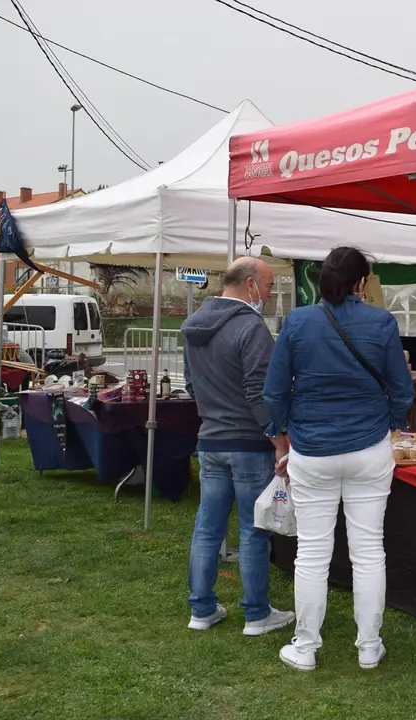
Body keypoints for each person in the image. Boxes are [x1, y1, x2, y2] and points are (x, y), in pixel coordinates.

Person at [264, 246, 414, 672]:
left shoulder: (297, 322)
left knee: (312, 553)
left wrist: (281, 433)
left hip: (312, 449)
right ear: (362, 282)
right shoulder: (381, 322)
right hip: (369, 448)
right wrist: (392, 422)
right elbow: (402, 388)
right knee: (368, 551)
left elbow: (275, 391)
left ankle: (306, 646)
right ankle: (369, 645)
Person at [181, 256, 295, 637]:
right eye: (269, 286)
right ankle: (256, 614)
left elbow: (191, 384)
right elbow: (259, 392)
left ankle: (201, 609)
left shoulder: (193, 324)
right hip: (249, 442)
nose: (270, 293)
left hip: (211, 439)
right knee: (253, 530)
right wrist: (278, 440)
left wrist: (213, 415)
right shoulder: (251, 327)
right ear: (250, 284)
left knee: (207, 528)